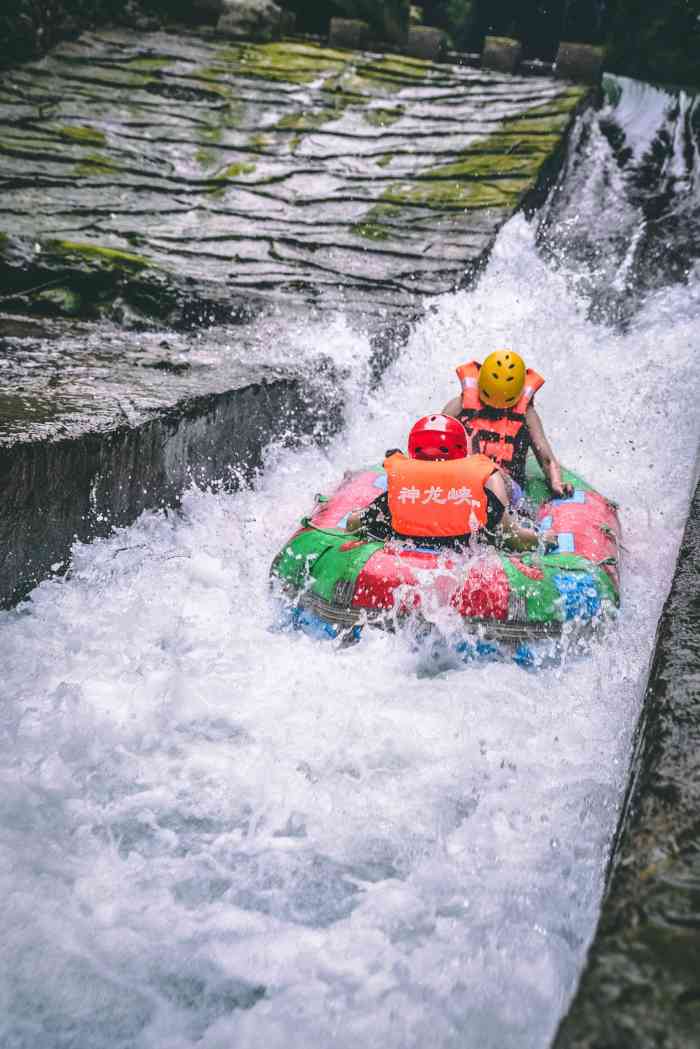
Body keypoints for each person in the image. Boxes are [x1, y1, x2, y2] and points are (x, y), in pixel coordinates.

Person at [346, 414, 546, 552]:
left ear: (413, 450)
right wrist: (546, 539)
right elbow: (514, 537)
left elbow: (354, 523)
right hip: (461, 564)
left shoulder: (401, 493)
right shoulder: (478, 499)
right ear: (461, 452)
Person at [442, 350, 573, 501]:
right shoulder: (459, 406)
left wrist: (556, 482)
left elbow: (547, 459)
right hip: (463, 482)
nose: (495, 409)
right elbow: (435, 441)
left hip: (507, 487)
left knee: (495, 479)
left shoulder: (527, 415)